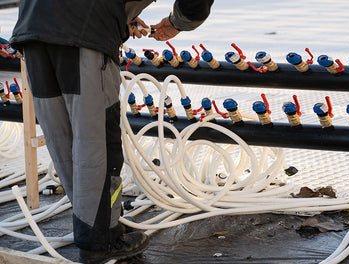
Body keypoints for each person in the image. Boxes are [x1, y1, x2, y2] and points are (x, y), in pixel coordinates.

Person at [10, 0, 214, 263]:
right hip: (82, 38)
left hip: (32, 31)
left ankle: (97, 223)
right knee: (96, 143)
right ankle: (100, 240)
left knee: (63, 139)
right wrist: (178, 23)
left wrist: (118, 20)